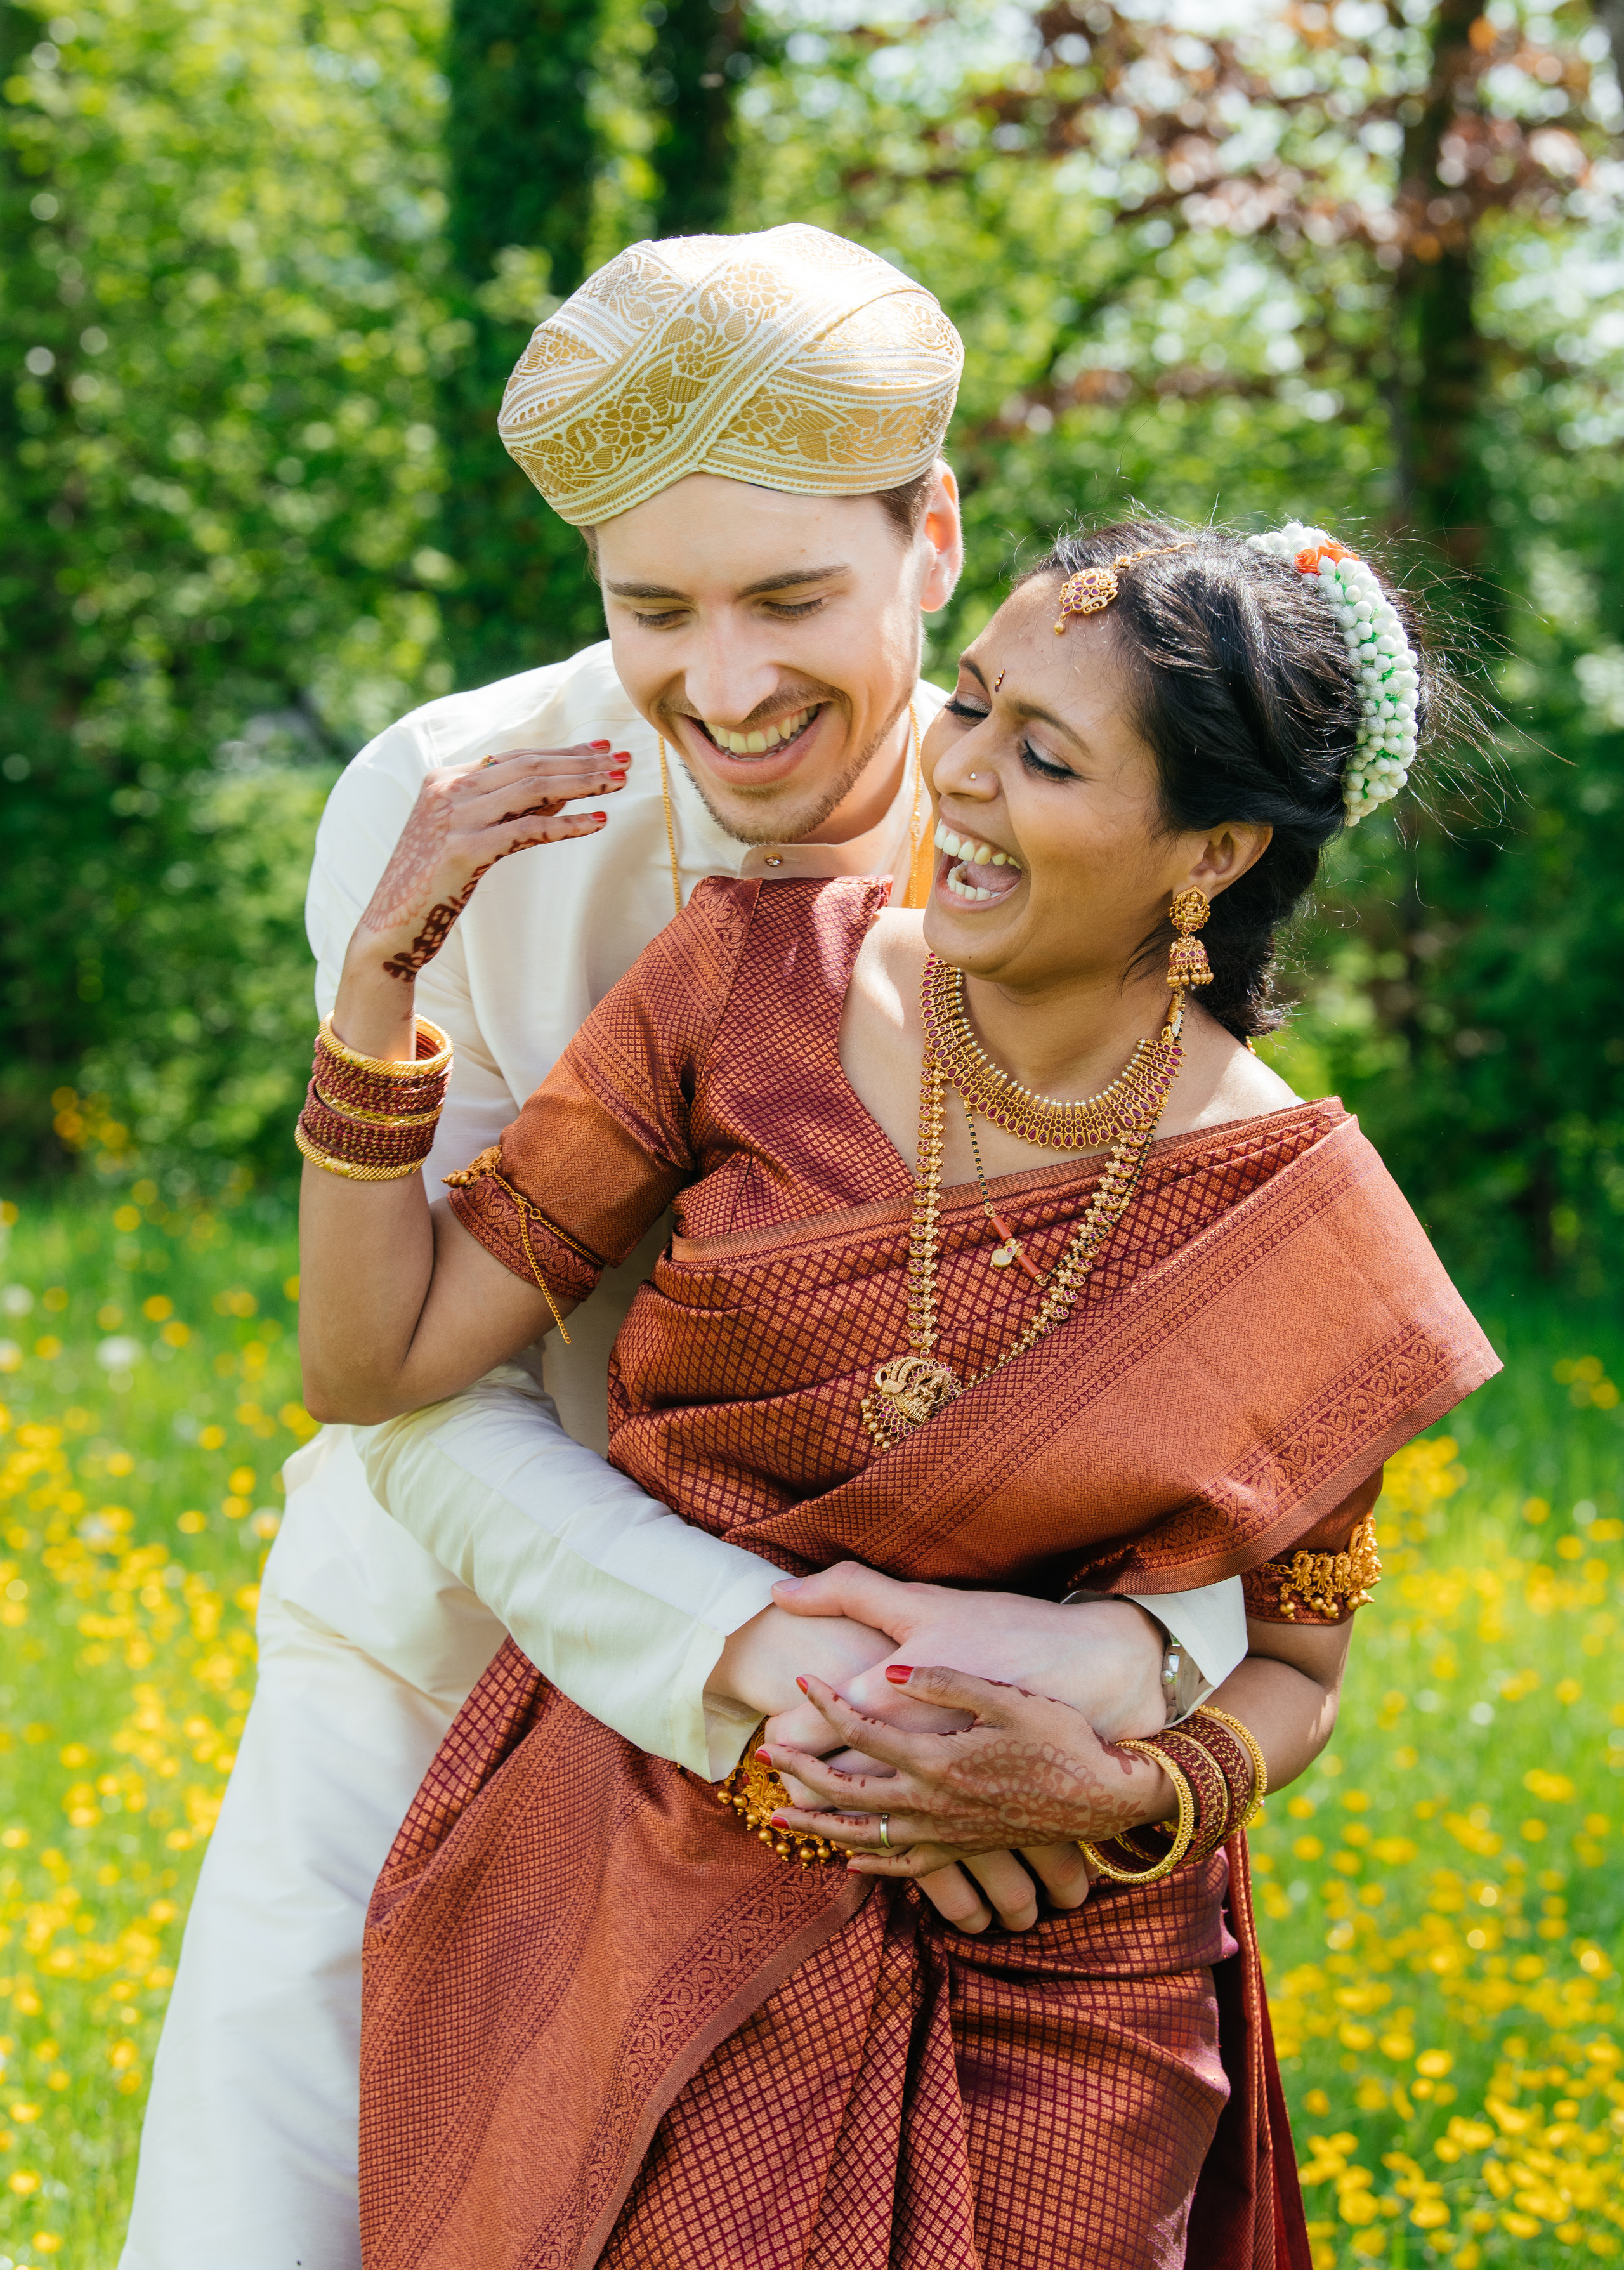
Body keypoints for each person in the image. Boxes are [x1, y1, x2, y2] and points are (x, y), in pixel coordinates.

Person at [120, 227, 1215, 2270]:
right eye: (656, 607)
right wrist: (729, 1645)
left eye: (795, 596)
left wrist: (1119, 1676)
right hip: (440, 1665)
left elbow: (1228, 1350)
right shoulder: (446, 802)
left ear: (936, 536)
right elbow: (398, 1394)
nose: (726, 684)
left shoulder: (1099, 813)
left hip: (910, 1759)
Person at [298, 515, 1498, 2267]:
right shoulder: (749, 976)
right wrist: (378, 983)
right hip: (640, 1864)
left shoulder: (1294, 1218)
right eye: (980, 708)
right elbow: (371, 1362)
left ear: (1213, 850)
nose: (967, 776)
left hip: (1055, 1963)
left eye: (1045, 753)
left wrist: (1128, 1799)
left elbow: (1302, 1666)